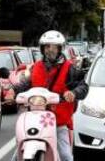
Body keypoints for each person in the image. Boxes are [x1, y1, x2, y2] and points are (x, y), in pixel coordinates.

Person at [5, 30, 87, 161]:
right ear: (42, 49)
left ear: (60, 48)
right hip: (35, 119)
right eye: (47, 46)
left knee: (66, 156)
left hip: (59, 123)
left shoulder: (70, 68)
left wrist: (73, 93)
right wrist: (12, 91)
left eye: (54, 47)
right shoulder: (36, 67)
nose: (51, 50)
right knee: (17, 155)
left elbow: (83, 87)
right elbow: (25, 83)